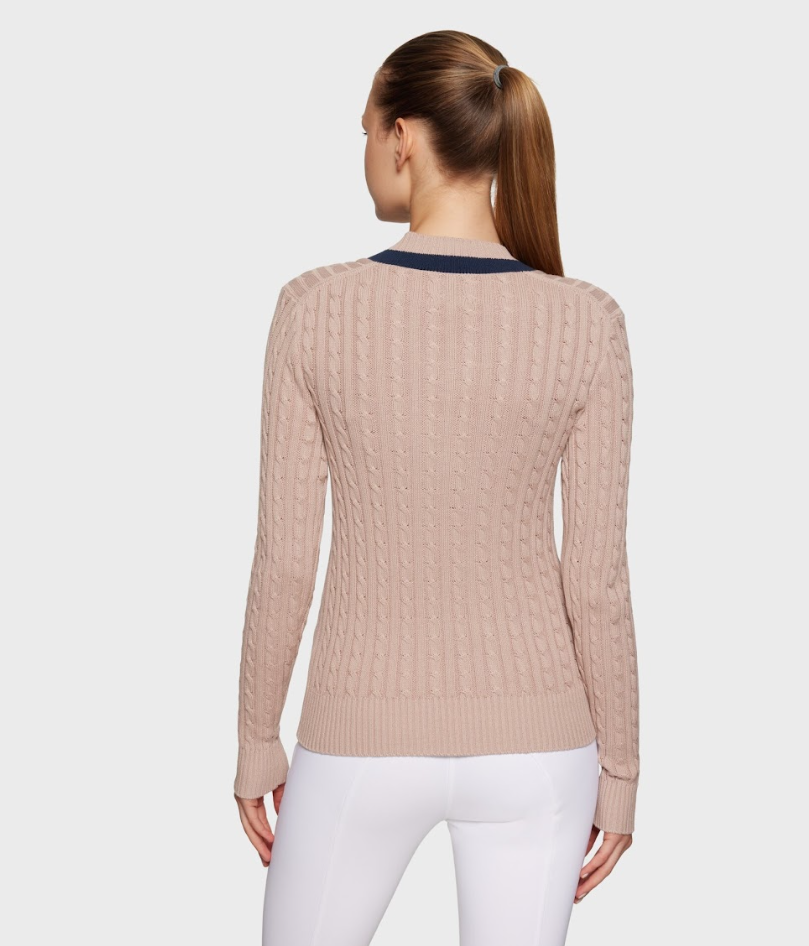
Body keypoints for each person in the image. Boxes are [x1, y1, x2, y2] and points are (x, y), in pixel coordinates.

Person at [233, 29, 640, 946]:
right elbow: (597, 580)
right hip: (541, 746)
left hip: (358, 737)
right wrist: (621, 770)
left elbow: (286, 558)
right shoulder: (586, 321)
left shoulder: (315, 309)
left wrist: (258, 737)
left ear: (402, 136)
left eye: (364, 129)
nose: (365, 151)